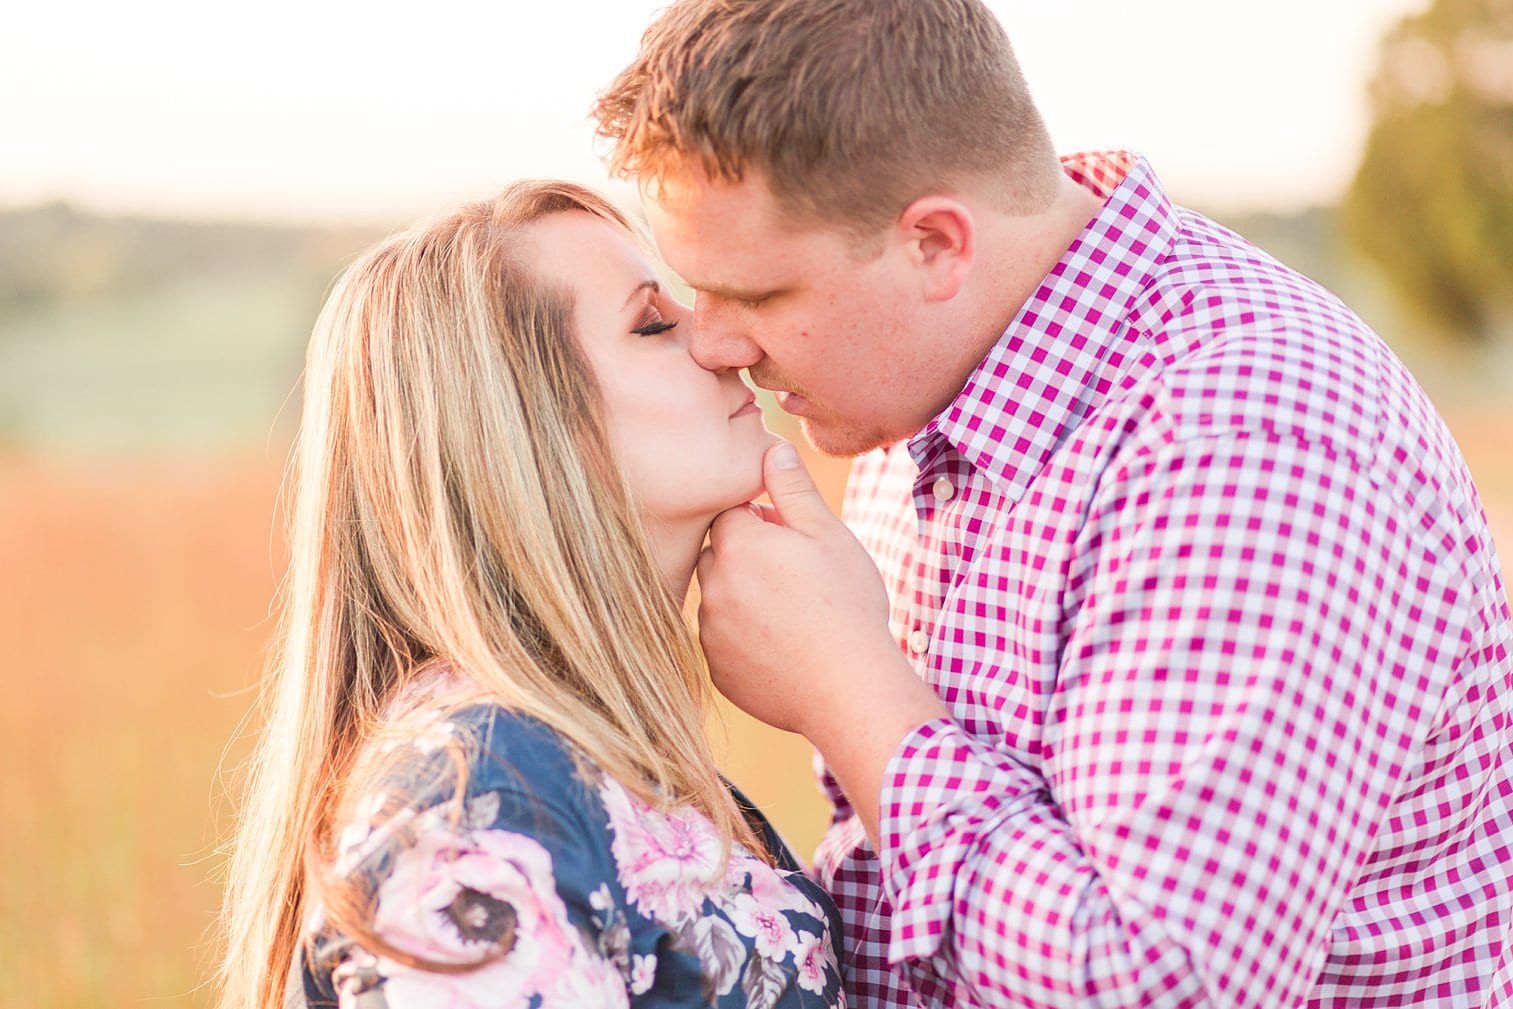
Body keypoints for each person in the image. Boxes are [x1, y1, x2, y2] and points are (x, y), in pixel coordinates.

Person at [591, 1, 1513, 1006]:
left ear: (935, 245)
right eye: (695, 293)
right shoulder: (921, 391)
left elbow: (1159, 987)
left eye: (760, 297)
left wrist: (847, 692)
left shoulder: (1242, 436)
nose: (716, 345)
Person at [214, 181, 847, 1009]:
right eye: (655, 323)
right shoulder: (473, 810)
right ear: (532, 433)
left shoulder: (592, 761)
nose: (723, 340)